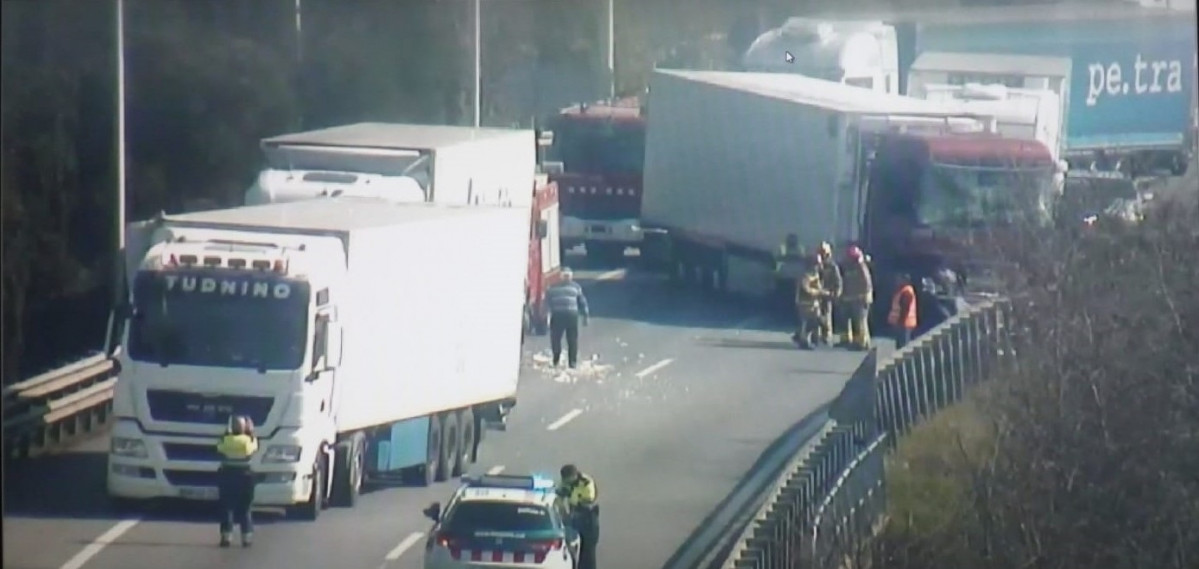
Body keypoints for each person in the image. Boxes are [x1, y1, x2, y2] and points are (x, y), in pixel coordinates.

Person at [215, 415, 258, 547]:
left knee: (227, 507)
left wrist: (225, 434)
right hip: (245, 476)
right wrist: (252, 433)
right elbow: (254, 447)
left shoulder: (226, 440)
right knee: (245, 508)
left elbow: (219, 447)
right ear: (244, 427)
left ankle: (226, 536)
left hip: (227, 475)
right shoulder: (247, 441)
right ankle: (246, 538)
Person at [557, 464, 599, 569]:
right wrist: (563, 513)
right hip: (574, 517)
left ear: (574, 475)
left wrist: (570, 493)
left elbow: (588, 499)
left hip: (588, 518)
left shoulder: (586, 482)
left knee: (588, 551)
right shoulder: (565, 482)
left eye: (568, 479)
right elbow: (559, 496)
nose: (566, 482)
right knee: (573, 550)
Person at [546, 268, 590, 368]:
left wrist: (547, 316)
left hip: (558, 316)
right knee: (572, 340)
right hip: (571, 315)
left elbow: (547, 304)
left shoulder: (552, 288)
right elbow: (582, 302)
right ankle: (572, 363)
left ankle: (556, 360)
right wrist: (585, 316)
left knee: (556, 339)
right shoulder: (576, 287)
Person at [840, 245, 874, 350]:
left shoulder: (861, 267)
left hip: (861, 299)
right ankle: (857, 341)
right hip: (855, 298)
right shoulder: (852, 267)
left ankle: (862, 343)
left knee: (861, 321)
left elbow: (867, 284)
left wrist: (863, 296)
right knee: (857, 321)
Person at [792, 253, 825, 350]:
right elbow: (806, 288)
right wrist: (818, 292)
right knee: (806, 322)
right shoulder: (805, 275)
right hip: (804, 302)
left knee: (815, 321)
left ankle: (807, 338)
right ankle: (803, 341)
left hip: (814, 302)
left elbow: (817, 286)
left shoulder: (815, 274)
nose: (818, 266)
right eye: (816, 264)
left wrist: (823, 291)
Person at [816, 242, 842, 345]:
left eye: (823, 253)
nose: (822, 255)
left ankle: (826, 335)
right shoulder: (816, 264)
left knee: (826, 315)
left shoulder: (832, 266)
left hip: (827, 294)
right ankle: (816, 335)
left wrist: (836, 293)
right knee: (816, 315)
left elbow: (838, 281)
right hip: (816, 294)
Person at [888, 273, 918, 349]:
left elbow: (905, 309)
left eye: (899, 279)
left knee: (903, 346)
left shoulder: (907, 291)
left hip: (905, 323)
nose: (897, 280)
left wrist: (900, 321)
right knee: (900, 345)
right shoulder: (901, 290)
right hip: (902, 322)